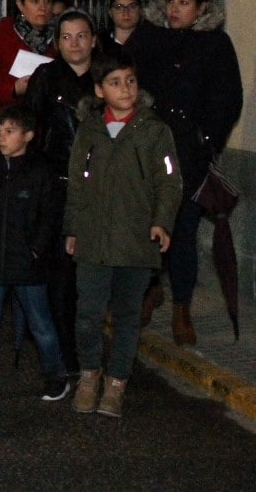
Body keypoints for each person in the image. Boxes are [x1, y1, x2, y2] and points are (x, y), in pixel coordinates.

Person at [65, 48, 181, 417]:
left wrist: (161, 221)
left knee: (129, 316)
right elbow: (76, 184)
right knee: (88, 315)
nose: (125, 89)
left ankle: (117, 383)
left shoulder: (154, 131)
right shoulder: (90, 131)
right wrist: (72, 227)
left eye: (130, 80)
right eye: (115, 82)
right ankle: (88, 375)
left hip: (135, 240)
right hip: (94, 239)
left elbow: (169, 182)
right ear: (100, 90)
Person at [138, 0, 243, 345]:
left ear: (200, 8)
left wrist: (206, 140)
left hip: (189, 157)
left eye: (184, 2)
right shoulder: (151, 38)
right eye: (171, 1)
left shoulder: (215, 44)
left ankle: (182, 309)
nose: (174, 8)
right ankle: (150, 291)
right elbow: (126, 82)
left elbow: (229, 98)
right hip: (150, 154)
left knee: (182, 232)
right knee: (148, 231)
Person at [0, 105, 68, 403]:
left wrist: (36, 250)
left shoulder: (40, 173)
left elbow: (49, 216)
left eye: (9, 132)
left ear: (28, 136)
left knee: (41, 325)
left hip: (27, 264)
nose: (1, 138)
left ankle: (56, 375)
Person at [24, 9, 97, 371]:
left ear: (93, 39)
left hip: (100, 187)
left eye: (81, 36)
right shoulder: (46, 77)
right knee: (61, 278)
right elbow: (31, 129)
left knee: (94, 277)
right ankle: (64, 356)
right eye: (66, 37)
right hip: (57, 185)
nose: (74, 44)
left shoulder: (107, 77)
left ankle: (92, 355)